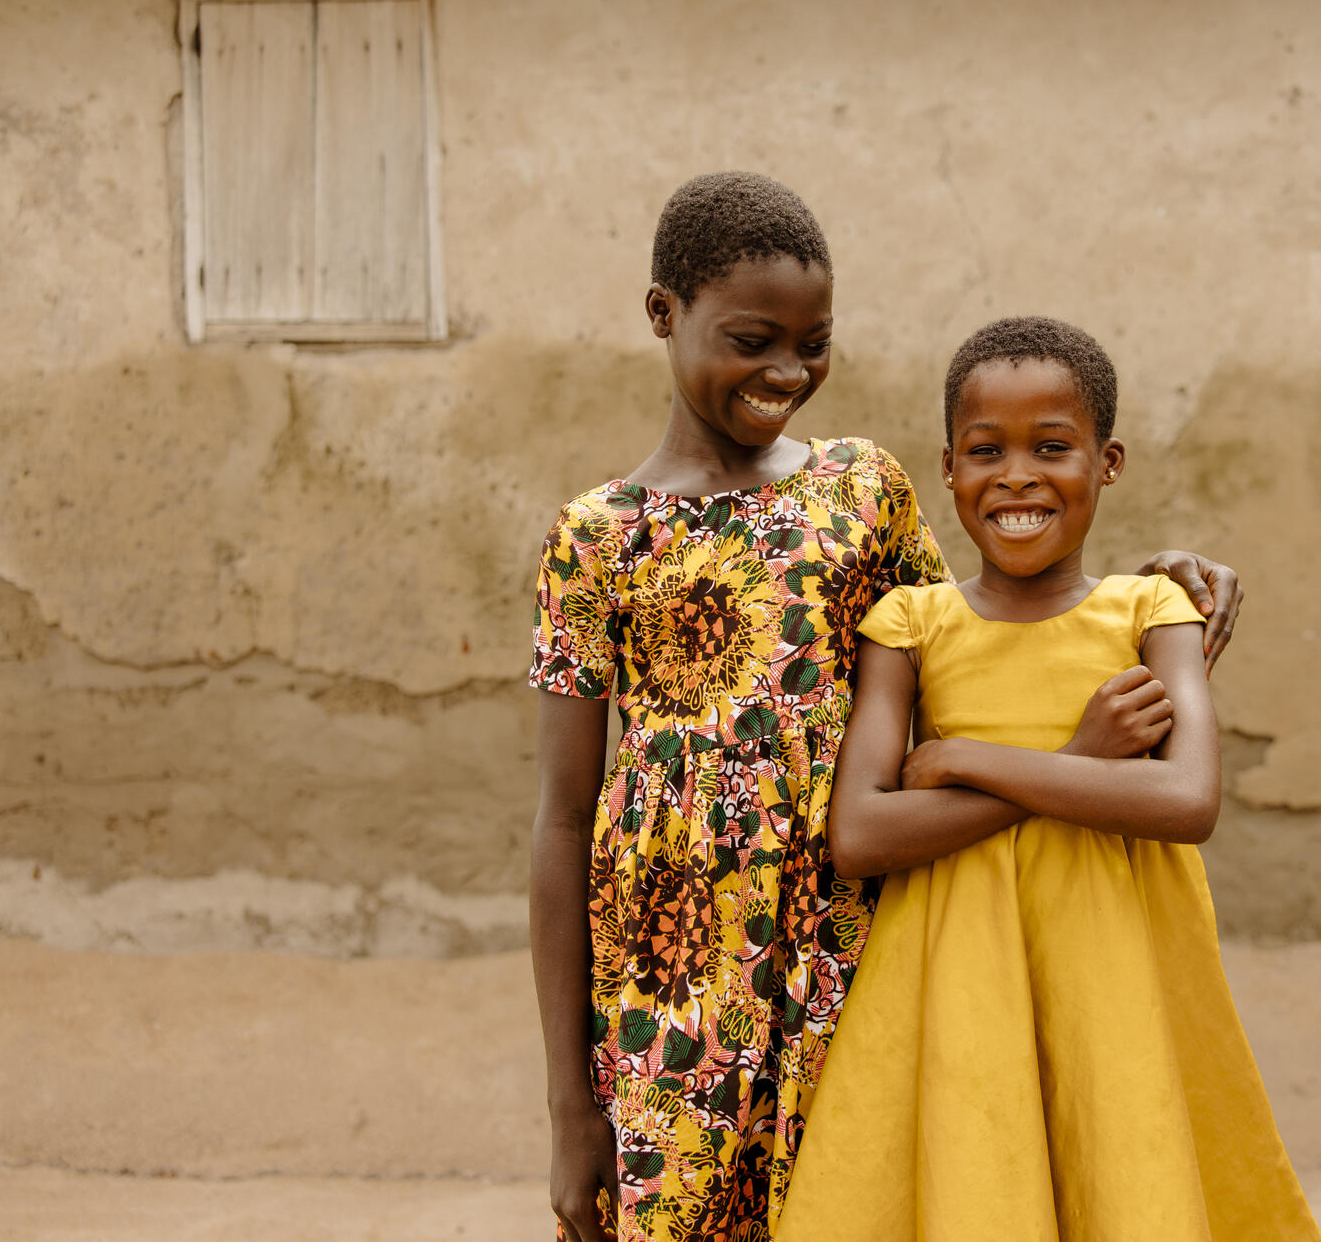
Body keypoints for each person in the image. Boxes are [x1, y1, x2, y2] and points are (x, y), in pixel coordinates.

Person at [530, 174, 1243, 1242]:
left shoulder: (860, 490)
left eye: (813, 341)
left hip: (853, 949)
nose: (786, 370)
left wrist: (1160, 586)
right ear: (660, 313)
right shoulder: (595, 536)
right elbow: (559, 818)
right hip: (670, 978)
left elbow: (996, 613)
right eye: (751, 338)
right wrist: (568, 1104)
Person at [776, 317, 1321, 1241]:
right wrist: (1074, 763)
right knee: (979, 1172)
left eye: (1053, 447)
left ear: (1108, 463)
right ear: (948, 468)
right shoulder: (910, 622)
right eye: (986, 450)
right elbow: (861, 832)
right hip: (954, 966)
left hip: (1117, 964)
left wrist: (963, 759)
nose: (1018, 475)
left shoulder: (1152, 609)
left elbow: (1186, 802)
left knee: (1119, 1161)